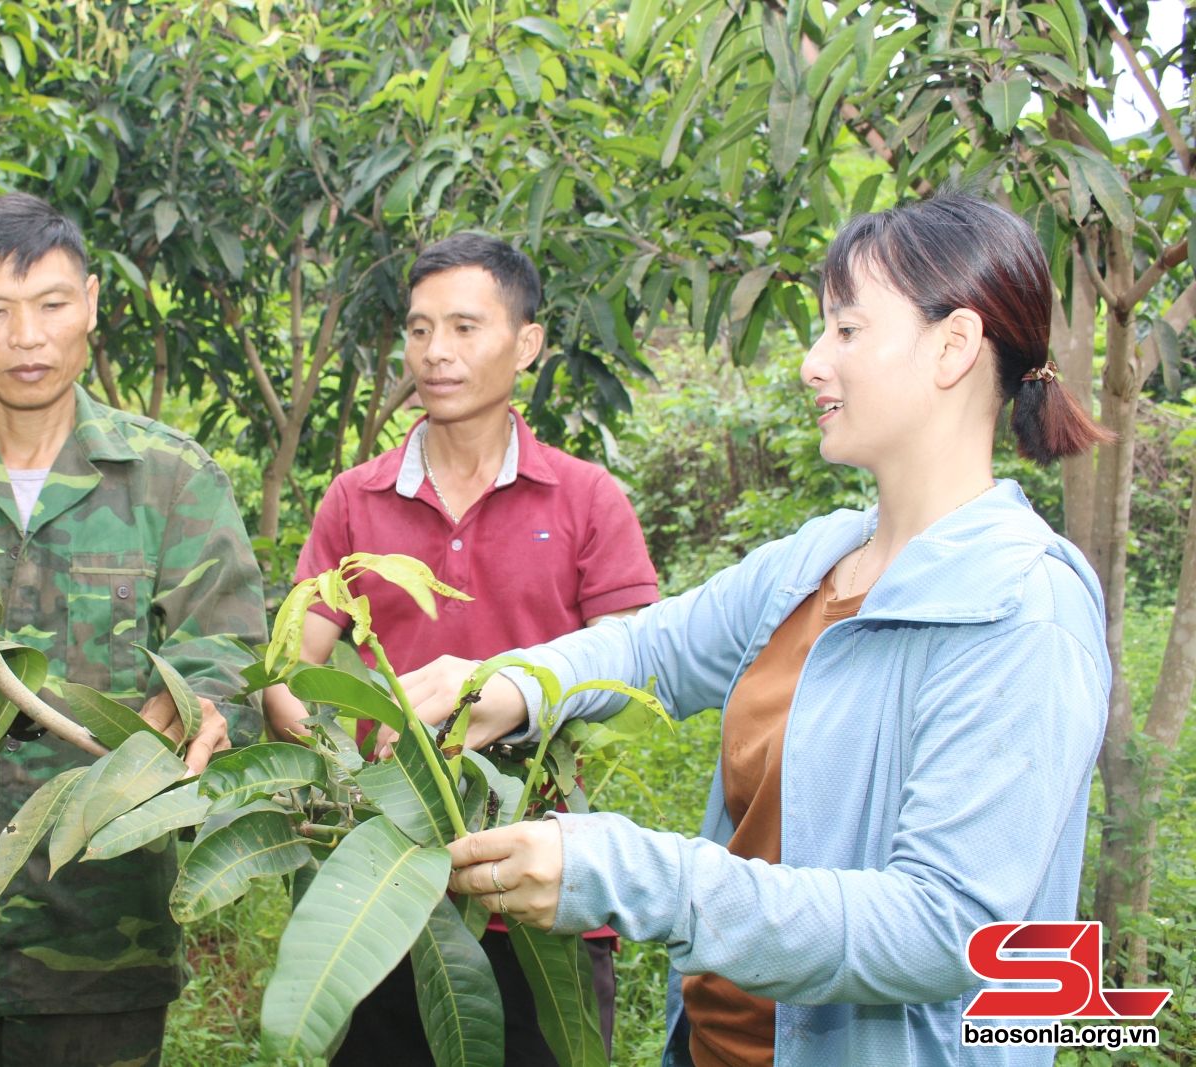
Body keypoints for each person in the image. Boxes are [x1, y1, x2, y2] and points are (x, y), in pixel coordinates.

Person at [417, 195, 1113, 1066]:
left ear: (954, 345)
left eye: (848, 331)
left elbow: (948, 927)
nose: (814, 362)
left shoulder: (1023, 610)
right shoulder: (819, 558)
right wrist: (510, 683)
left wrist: (639, 874)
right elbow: (651, 647)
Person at [0, 193, 267, 1065]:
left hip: (102, 933)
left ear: (93, 305)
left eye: (53, 305)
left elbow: (226, 647)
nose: (27, 336)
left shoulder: (173, 478)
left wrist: (187, 715)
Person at [263, 233, 660, 1065]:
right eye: (418, 329)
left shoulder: (586, 498)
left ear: (527, 344)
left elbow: (637, 664)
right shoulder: (356, 499)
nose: (435, 352)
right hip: (385, 879)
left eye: (464, 328)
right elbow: (289, 671)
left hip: (541, 874)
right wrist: (332, 759)